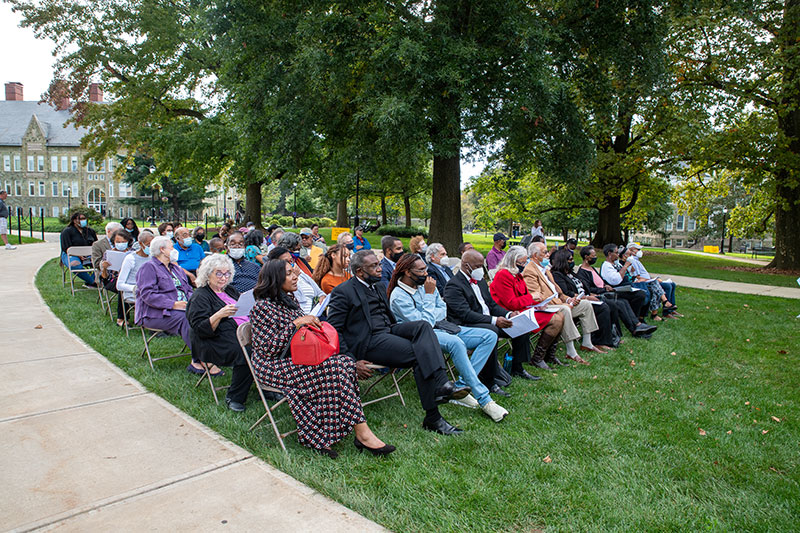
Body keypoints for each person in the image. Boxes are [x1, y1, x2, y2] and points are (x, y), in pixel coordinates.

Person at [250, 259, 395, 458]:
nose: (296, 276)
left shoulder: (287, 301)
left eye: (295, 272)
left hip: (297, 358)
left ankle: (343, 433)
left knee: (343, 363)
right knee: (337, 366)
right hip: (272, 367)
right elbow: (267, 350)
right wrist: (296, 324)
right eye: (290, 273)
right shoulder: (262, 308)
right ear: (275, 278)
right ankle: (361, 433)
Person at [327, 250, 470, 436]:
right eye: (374, 266)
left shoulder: (378, 286)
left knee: (423, 327)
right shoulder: (343, 292)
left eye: (378, 264)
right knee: (421, 354)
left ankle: (442, 383)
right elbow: (334, 329)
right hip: (369, 341)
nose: (380, 269)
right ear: (360, 271)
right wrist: (351, 360)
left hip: (388, 330)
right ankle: (433, 418)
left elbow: (388, 316)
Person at [388, 255, 508, 422]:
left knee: (489, 335)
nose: (426, 273)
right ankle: (485, 400)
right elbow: (424, 326)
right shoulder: (399, 296)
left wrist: (430, 310)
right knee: (456, 343)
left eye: (425, 268)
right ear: (407, 272)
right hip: (421, 338)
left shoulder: (425, 285)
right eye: (421, 270)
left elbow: (443, 308)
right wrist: (430, 299)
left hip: (443, 327)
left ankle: (459, 387)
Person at [445, 249, 538, 389]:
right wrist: (494, 320)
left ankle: (517, 367)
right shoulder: (454, 285)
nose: (481, 270)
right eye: (477, 266)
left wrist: (509, 314)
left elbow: (492, 305)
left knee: (520, 325)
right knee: (492, 331)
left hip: (488, 319)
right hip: (467, 325)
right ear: (466, 265)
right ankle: (489, 379)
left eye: (482, 266)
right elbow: (465, 314)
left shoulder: (480, 281)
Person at [135, 236, 220, 376]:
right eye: (172, 247)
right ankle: (201, 359)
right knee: (187, 319)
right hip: (155, 313)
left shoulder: (175, 268)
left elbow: (187, 289)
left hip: (183, 307)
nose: (175, 250)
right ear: (162, 250)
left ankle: (215, 351)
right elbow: (148, 295)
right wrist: (173, 304)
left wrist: (195, 303)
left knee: (208, 315)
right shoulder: (148, 268)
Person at [186, 254, 254, 412]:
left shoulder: (229, 289)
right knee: (247, 352)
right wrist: (219, 314)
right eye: (218, 273)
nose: (223, 277)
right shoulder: (200, 296)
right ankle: (235, 397)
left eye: (227, 273)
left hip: (239, 333)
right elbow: (200, 329)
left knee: (269, 344)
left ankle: (267, 388)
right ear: (207, 274)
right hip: (214, 341)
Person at [489, 246, 566, 370]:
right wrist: (532, 297)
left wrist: (537, 305)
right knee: (555, 320)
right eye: (522, 262)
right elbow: (511, 303)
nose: (525, 265)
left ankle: (548, 355)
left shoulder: (517, 275)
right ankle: (537, 358)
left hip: (524, 309)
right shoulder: (503, 275)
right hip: (509, 313)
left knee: (560, 315)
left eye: (525, 262)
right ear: (513, 261)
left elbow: (523, 298)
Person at [523, 242, 600, 365]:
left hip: (558, 303)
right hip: (545, 306)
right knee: (564, 310)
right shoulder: (530, 271)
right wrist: (563, 304)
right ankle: (571, 351)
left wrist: (568, 300)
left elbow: (558, 292)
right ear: (535, 255)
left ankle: (587, 343)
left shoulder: (546, 269)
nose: (548, 254)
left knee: (585, 304)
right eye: (545, 252)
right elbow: (536, 296)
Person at [575, 246, 655, 337]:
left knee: (624, 301)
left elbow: (601, 281)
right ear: (586, 257)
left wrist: (605, 285)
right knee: (620, 302)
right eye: (593, 255)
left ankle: (637, 326)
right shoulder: (582, 272)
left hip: (606, 291)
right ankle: (634, 328)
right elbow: (589, 288)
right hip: (600, 294)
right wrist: (604, 289)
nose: (595, 257)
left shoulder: (592, 268)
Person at [549, 248, 617, 350]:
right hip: (575, 301)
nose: (572, 262)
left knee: (612, 304)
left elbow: (584, 286)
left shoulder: (571, 273)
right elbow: (566, 293)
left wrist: (591, 294)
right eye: (570, 260)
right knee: (603, 308)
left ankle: (613, 336)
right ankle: (599, 341)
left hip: (586, 297)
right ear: (563, 261)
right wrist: (587, 297)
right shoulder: (557, 275)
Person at [626, 242, 682, 318]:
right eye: (638, 249)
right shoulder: (633, 261)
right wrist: (652, 279)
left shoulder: (637, 260)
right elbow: (637, 277)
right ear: (631, 251)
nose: (640, 251)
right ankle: (666, 311)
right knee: (667, 286)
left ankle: (671, 308)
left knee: (672, 284)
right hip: (645, 282)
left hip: (648, 280)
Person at [268, 247, 325, 314]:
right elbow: (296, 300)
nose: (290, 264)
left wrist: (322, 298)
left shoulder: (301, 274)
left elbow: (320, 292)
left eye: (291, 261)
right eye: (286, 262)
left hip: (314, 312)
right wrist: (294, 276)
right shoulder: (281, 282)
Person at [98, 229, 134, 326]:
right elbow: (104, 277)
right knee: (122, 288)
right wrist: (104, 268)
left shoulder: (133, 253)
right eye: (118, 242)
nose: (121, 244)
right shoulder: (109, 254)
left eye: (123, 242)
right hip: (112, 279)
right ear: (113, 242)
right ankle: (121, 318)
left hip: (131, 279)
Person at [117, 230, 155, 307]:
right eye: (148, 245)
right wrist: (135, 288)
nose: (151, 248)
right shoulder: (131, 258)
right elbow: (119, 285)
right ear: (141, 244)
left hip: (151, 290)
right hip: (134, 292)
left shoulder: (153, 257)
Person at [60, 212, 98, 286]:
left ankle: (93, 279)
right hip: (70, 254)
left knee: (101, 262)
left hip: (88, 254)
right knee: (74, 264)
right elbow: (65, 247)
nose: (83, 220)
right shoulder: (67, 231)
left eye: (84, 218)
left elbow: (95, 244)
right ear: (74, 220)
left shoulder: (90, 231)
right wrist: (78, 255)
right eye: (81, 219)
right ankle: (92, 282)